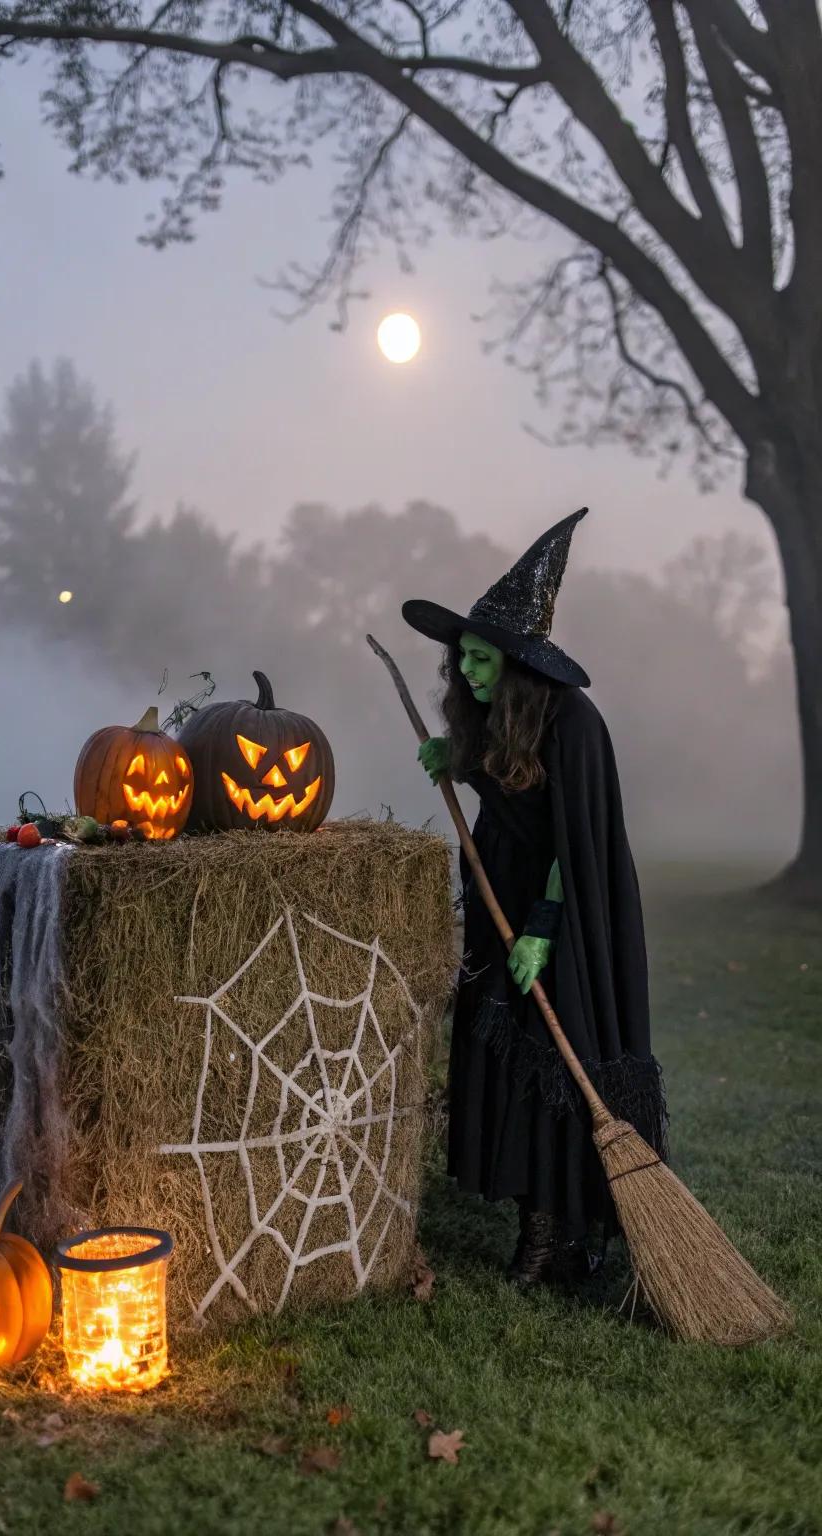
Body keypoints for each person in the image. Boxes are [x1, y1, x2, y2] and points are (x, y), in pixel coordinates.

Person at [402, 507, 668, 1286]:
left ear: (518, 665)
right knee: (508, 1058)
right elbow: (509, 802)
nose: (467, 673)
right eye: (462, 659)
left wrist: (543, 930)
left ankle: (563, 1232)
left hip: (566, 917)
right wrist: (458, 760)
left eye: (482, 660)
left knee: (557, 1060)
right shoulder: (493, 717)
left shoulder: (573, 724)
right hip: (500, 902)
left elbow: (571, 845)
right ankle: (539, 1225)